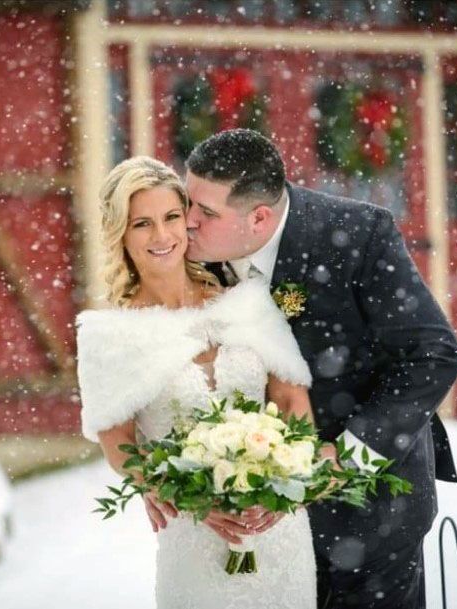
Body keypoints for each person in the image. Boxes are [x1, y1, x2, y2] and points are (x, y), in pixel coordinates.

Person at [184, 129, 457, 609]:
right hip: (255, 536)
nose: (186, 222)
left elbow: (432, 354)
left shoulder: (358, 235)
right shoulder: (186, 256)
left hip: (372, 521)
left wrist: (351, 456)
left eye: (205, 213)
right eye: (187, 201)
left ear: (259, 217)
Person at [75, 156, 322, 609]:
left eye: (172, 217)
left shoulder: (247, 302)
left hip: (278, 529)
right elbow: (119, 444)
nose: (162, 236)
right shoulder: (108, 336)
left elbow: (291, 400)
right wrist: (173, 493)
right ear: (120, 235)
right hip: (193, 534)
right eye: (142, 224)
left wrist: (287, 485)